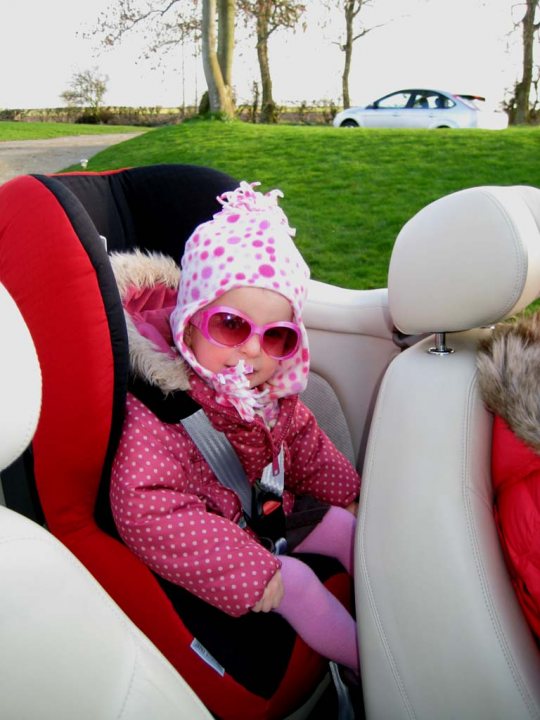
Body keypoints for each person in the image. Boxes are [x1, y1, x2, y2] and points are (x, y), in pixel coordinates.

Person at [110, 181, 361, 673]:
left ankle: (396, 624)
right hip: (221, 538)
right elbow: (146, 509)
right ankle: (376, 671)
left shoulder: (270, 396)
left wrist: (346, 492)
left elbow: (304, 444)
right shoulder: (161, 409)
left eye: (277, 337)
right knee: (301, 585)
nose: (251, 351)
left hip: (270, 513)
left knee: (348, 529)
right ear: (188, 321)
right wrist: (244, 568)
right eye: (231, 326)